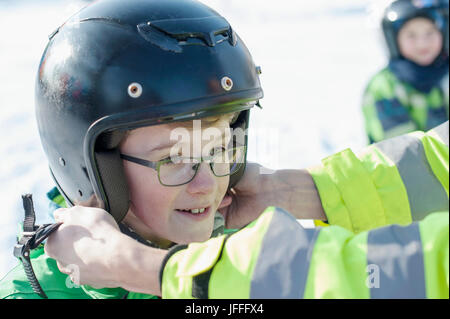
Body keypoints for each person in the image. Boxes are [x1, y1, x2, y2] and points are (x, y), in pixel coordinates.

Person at [0, 0, 263, 299]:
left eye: (218, 150)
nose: (206, 185)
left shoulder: (253, 261)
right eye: (174, 158)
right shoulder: (30, 294)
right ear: (99, 171)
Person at [362, 0, 449, 144]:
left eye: (430, 32)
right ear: (394, 40)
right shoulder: (384, 87)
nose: (422, 43)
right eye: (411, 35)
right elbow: (401, 152)